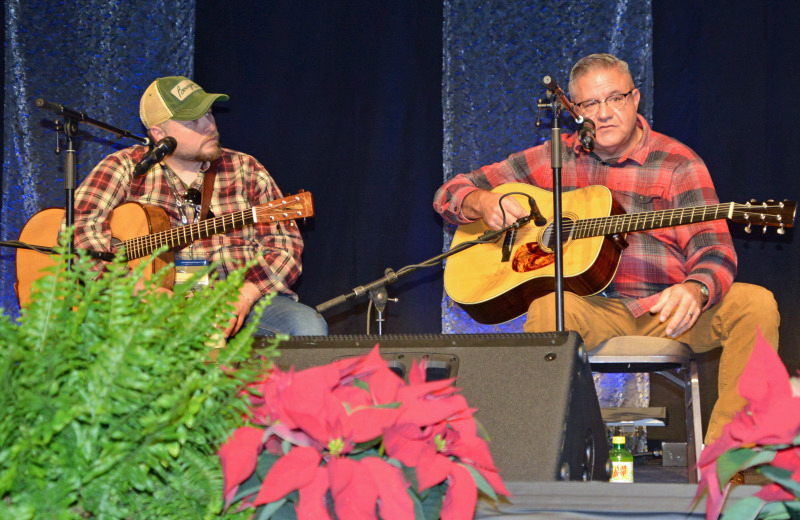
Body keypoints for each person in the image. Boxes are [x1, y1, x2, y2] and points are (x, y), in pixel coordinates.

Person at [433, 53, 780, 446]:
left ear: (634, 100)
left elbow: (714, 249)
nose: (604, 113)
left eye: (615, 98)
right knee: (547, 306)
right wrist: (481, 203)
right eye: (590, 104)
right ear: (573, 112)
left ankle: (731, 463)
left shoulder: (677, 163)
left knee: (756, 305)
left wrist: (696, 288)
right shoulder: (556, 157)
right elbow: (450, 191)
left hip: (666, 310)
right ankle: (536, 455)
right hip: (591, 307)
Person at [73, 76, 328, 337]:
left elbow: (285, 245)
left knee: (307, 327)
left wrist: (246, 295)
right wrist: (136, 288)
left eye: (208, 114)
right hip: (155, 302)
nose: (209, 127)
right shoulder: (125, 167)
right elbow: (78, 229)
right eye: (193, 121)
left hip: (240, 295)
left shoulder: (246, 168)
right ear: (160, 134)